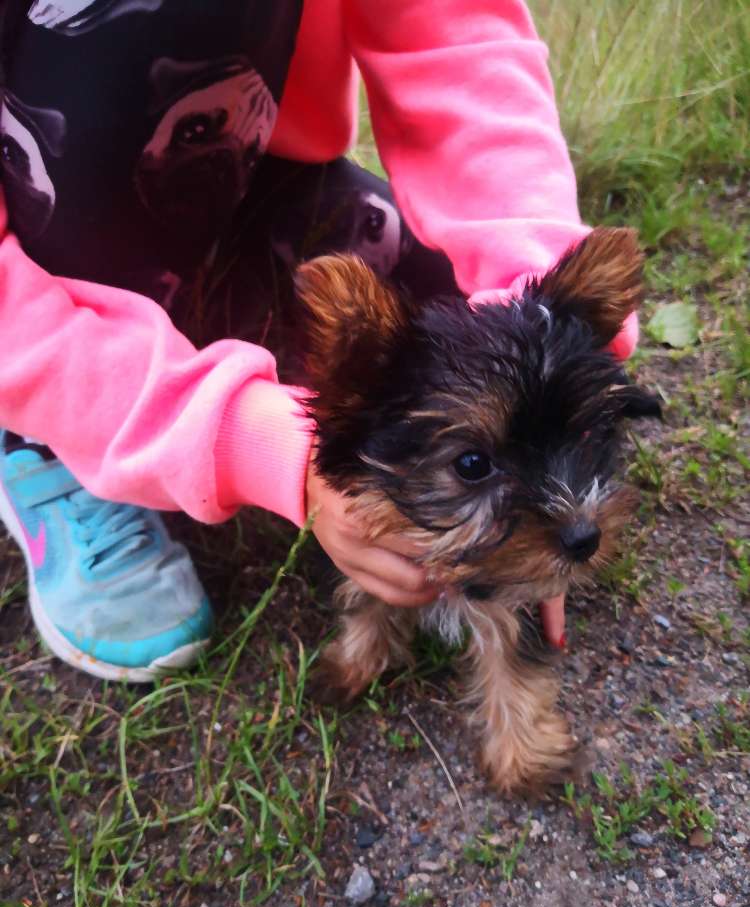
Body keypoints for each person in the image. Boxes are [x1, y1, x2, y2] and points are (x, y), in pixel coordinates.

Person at [0, 0, 637, 681]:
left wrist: (537, 308)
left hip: (260, 174)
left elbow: (456, 39)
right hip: (41, 255)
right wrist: (268, 446)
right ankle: (42, 446)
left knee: (439, 318)